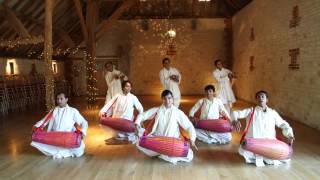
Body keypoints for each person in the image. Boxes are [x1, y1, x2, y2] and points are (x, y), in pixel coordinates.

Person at [231, 90, 295, 167]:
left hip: (269, 143)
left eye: (262, 96)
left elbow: (283, 124)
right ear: (256, 100)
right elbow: (235, 113)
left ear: (266, 100)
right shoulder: (251, 111)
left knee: (284, 158)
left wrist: (290, 135)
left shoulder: (272, 113)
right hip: (254, 142)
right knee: (246, 153)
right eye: (258, 97)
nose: (260, 98)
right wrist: (235, 120)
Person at [135, 90, 197, 164]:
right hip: (158, 141)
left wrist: (192, 139)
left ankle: (163, 153)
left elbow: (189, 126)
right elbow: (143, 115)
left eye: (169, 98)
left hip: (172, 142)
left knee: (189, 155)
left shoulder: (178, 112)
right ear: (162, 99)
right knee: (138, 142)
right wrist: (137, 124)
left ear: (172, 99)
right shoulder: (157, 110)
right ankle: (163, 153)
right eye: (165, 99)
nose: (167, 101)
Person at [31, 92, 88, 159]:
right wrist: (36, 127)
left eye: (61, 99)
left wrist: (83, 132)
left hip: (67, 138)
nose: (59, 101)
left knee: (78, 152)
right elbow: (44, 120)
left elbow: (83, 122)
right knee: (38, 141)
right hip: (55, 137)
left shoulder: (73, 111)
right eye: (57, 99)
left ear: (66, 99)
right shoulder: (53, 110)